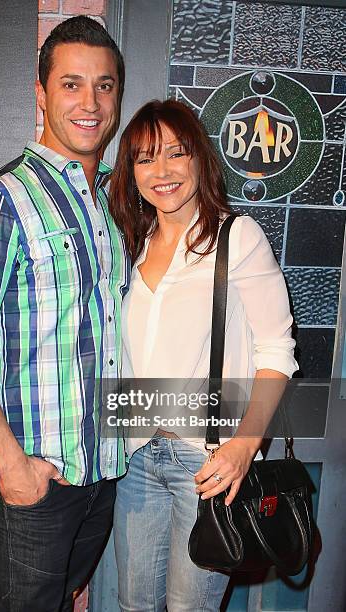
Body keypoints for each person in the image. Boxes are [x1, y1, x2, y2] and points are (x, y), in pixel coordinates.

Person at [0, 16, 129, 612]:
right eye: (71, 85)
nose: (89, 103)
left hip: (104, 473)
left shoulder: (115, 200)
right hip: (35, 481)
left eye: (105, 85)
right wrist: (12, 465)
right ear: (40, 94)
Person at [108, 99, 298, 612]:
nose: (162, 171)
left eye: (175, 153)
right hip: (135, 455)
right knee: (133, 606)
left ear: (199, 159)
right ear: (132, 171)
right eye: (146, 158)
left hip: (207, 461)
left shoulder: (237, 237)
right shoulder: (132, 241)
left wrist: (243, 446)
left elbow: (278, 351)